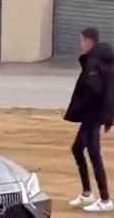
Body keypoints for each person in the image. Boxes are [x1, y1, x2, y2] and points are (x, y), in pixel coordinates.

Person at [66, 27, 114, 212]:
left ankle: (105, 199)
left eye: (82, 41)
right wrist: (109, 117)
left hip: (93, 116)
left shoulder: (94, 61)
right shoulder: (105, 60)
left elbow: (93, 90)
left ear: (88, 41)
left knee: (94, 155)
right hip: (97, 115)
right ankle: (87, 193)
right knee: (77, 149)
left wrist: (80, 108)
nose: (80, 44)